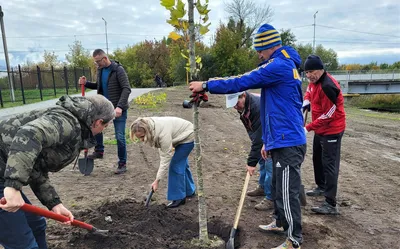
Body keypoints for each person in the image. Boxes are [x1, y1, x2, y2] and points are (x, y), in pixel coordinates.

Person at [189, 24, 306, 249]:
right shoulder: (284, 64)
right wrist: (268, 142)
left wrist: (206, 85)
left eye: (259, 50)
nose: (258, 55)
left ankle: (294, 240)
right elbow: (275, 109)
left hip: (289, 141)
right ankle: (281, 222)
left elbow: (242, 80)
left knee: (287, 192)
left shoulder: (278, 65)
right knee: (278, 186)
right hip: (280, 138)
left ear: (268, 46)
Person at [0, 95, 115, 249]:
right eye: (105, 127)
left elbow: (34, 167)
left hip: (3, 171)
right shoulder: (66, 122)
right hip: (3, 175)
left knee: (36, 225)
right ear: (99, 122)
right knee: (23, 244)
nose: (102, 131)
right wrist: (13, 186)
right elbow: (29, 134)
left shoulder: (75, 125)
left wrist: (54, 203)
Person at [302, 55, 346, 215]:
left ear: (321, 69)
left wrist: (308, 127)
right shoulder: (314, 82)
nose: (308, 75)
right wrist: (306, 101)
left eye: (311, 71)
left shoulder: (328, 86)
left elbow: (329, 115)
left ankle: (330, 203)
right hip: (321, 130)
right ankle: (321, 187)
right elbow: (309, 91)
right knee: (317, 159)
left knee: (329, 165)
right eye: (306, 72)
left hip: (332, 129)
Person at [79, 49, 131, 174]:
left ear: (105, 58)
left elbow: (126, 89)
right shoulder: (100, 70)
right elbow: (98, 85)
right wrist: (86, 84)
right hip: (103, 108)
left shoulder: (118, 70)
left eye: (98, 62)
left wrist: (119, 107)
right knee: (95, 127)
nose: (97, 64)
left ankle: (122, 163)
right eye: (95, 62)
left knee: (119, 137)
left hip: (118, 108)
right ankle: (99, 150)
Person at [130, 117, 196, 208]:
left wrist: (157, 180)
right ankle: (189, 191)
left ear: (148, 132)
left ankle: (179, 197)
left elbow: (165, 157)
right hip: (180, 134)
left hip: (188, 136)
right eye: (138, 138)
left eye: (142, 137)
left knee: (175, 165)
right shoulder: (149, 125)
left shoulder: (162, 134)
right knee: (181, 163)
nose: (141, 140)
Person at [225, 91, 273, 211]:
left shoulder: (257, 107)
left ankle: (271, 198)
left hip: (275, 134)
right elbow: (252, 131)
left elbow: (258, 137)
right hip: (263, 134)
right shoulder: (243, 106)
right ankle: (262, 187)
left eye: (237, 103)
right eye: (233, 105)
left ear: (244, 96)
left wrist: (251, 163)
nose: (235, 107)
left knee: (270, 165)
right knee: (262, 160)